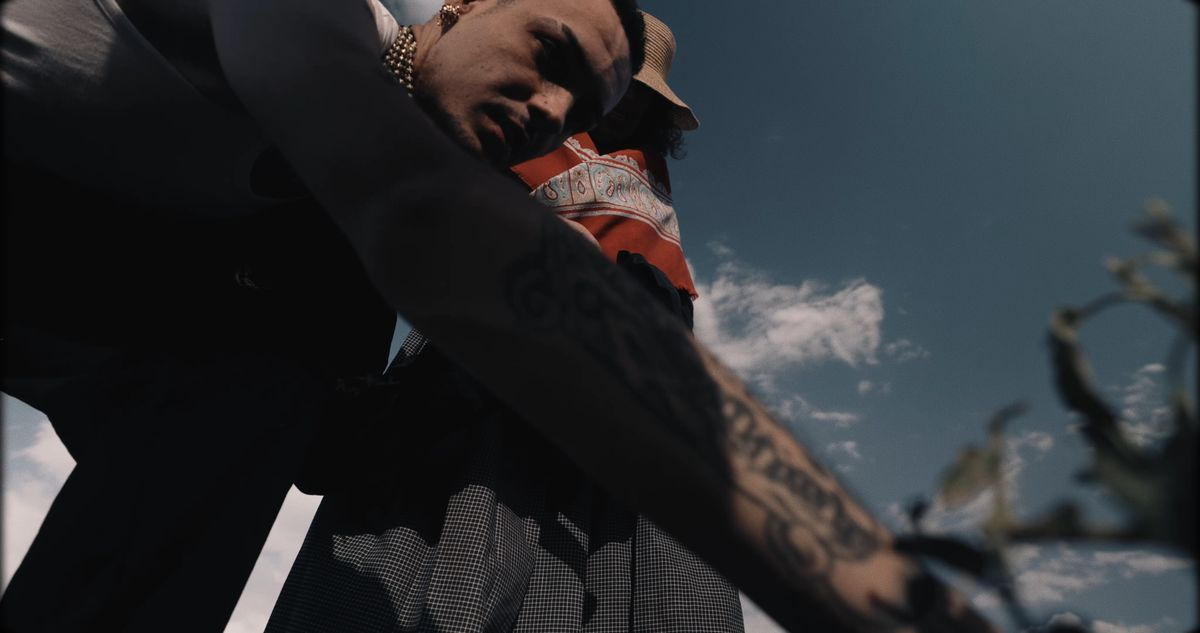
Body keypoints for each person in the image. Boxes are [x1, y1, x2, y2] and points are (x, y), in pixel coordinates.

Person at [1, 0, 996, 629]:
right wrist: (895, 597)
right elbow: (432, 220)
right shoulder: (322, 22)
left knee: (265, 388)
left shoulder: (332, 264)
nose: (554, 110)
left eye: (583, 107)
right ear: (462, 5)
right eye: (549, 51)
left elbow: (284, 430)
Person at [266, 13, 742, 632]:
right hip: (490, 363)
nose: (626, 104)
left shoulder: (647, 187)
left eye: (641, 96)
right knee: (443, 541)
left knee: (597, 578)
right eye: (619, 88)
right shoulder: (521, 130)